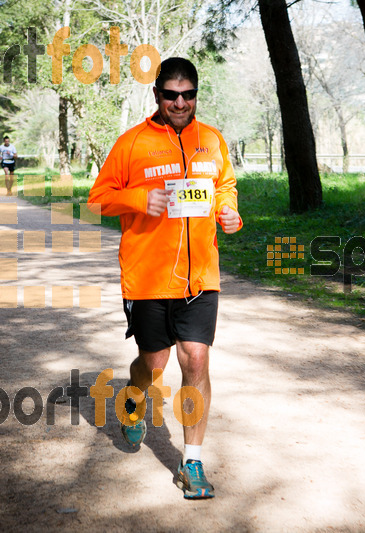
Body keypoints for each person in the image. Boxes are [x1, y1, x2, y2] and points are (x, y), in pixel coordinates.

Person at [87, 57, 242, 500]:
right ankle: (132, 404)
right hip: (149, 277)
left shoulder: (211, 140)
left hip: (200, 278)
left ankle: (191, 460)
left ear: (195, 95)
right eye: (171, 94)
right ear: (157, 95)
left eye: (188, 94)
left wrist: (230, 213)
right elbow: (98, 199)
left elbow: (224, 187)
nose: (180, 102)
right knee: (153, 366)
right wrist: (139, 198)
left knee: (195, 360)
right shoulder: (132, 143)